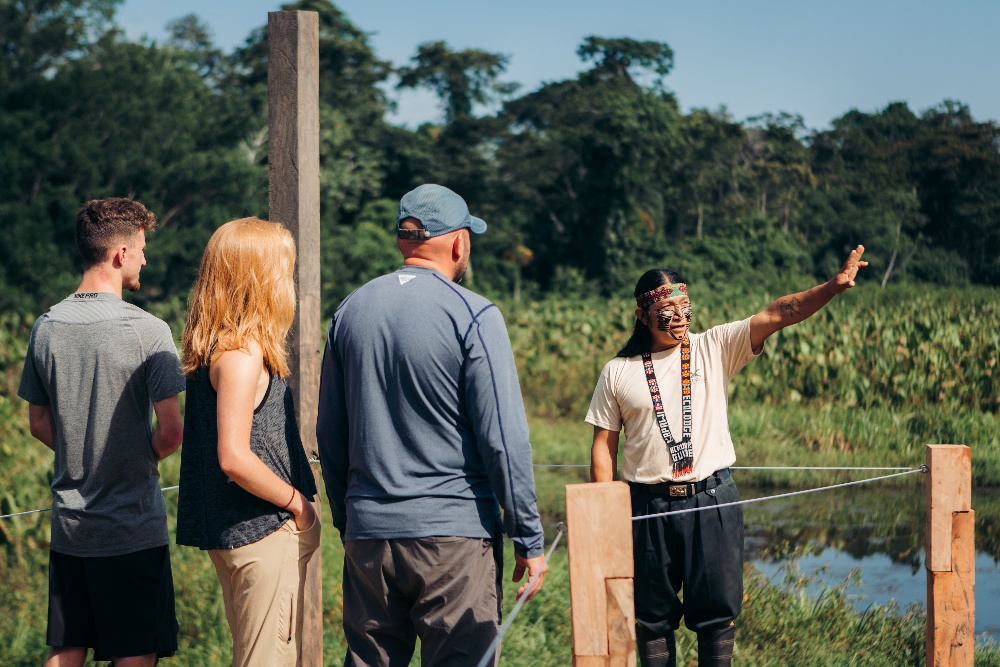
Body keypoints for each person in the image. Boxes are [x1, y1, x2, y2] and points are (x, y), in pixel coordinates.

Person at [586, 247, 868, 667]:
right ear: (642, 316)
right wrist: (604, 517)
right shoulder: (619, 371)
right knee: (652, 618)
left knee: (716, 616)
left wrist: (832, 287)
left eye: (684, 305)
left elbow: (778, 313)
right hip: (646, 507)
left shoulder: (712, 347)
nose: (679, 316)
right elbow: (603, 447)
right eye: (667, 308)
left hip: (712, 500)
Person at [317, 183, 548, 667]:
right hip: (453, 538)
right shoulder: (474, 314)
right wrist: (528, 535)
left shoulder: (349, 311)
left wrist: (349, 519)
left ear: (404, 239)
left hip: (368, 537)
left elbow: (331, 435)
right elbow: (503, 439)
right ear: (459, 242)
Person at [17, 198, 185, 667]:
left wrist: (81, 452)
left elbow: (38, 422)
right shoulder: (148, 331)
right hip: (131, 525)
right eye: (142, 248)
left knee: (66, 648)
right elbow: (172, 432)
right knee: (134, 653)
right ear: (120, 254)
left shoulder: (46, 327)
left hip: (70, 528)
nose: (145, 259)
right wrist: (136, 456)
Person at [175, 217, 319, 667]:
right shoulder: (242, 352)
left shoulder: (215, 347)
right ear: (260, 276)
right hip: (260, 529)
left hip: (236, 530)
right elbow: (234, 457)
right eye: (284, 267)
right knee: (268, 658)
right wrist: (297, 502)